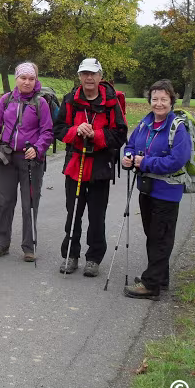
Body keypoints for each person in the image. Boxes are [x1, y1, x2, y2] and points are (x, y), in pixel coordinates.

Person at [53, 58, 127, 276]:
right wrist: (76, 130)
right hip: (76, 164)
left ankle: (94, 258)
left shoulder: (111, 102)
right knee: (73, 213)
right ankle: (70, 255)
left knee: (97, 215)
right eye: (85, 73)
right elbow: (58, 129)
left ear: (100, 76)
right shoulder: (70, 100)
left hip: (100, 165)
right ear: (79, 76)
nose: (89, 78)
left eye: (93, 74)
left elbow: (120, 134)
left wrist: (96, 135)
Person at [122, 80, 191, 300]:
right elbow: (131, 144)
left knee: (161, 238)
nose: (158, 103)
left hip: (167, 191)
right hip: (147, 189)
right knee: (153, 235)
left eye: (163, 99)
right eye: (155, 99)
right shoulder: (145, 123)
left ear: (171, 101)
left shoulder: (178, 127)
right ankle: (160, 277)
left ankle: (151, 285)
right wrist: (128, 157)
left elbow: (177, 160)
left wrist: (145, 162)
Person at [0, 62, 54, 263]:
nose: (27, 82)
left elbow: (47, 131)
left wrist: (37, 148)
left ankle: (29, 247)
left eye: (31, 78)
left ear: (36, 80)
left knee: (29, 203)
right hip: (8, 157)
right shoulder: (6, 100)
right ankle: (1, 243)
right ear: (16, 79)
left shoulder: (41, 103)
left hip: (31, 160)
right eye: (23, 78)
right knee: (4, 201)